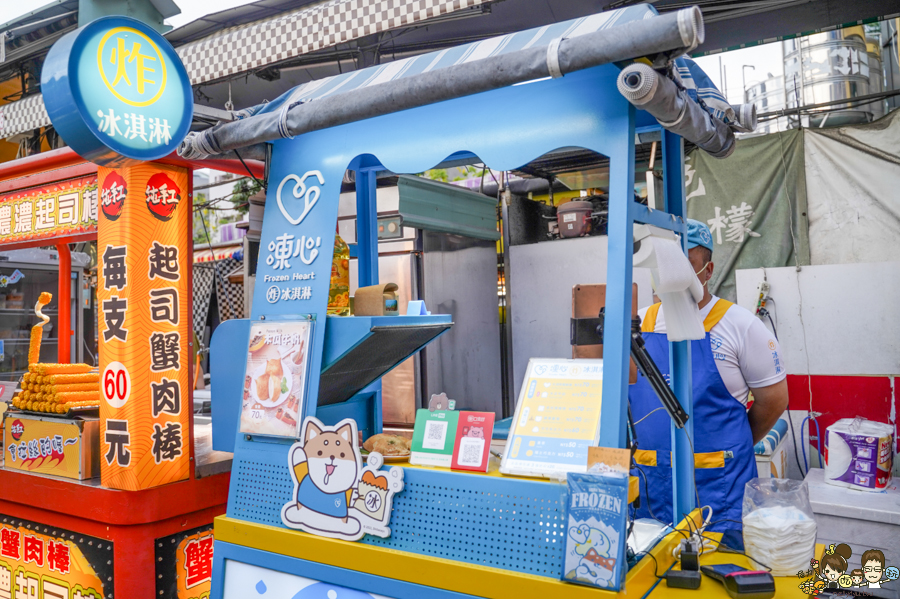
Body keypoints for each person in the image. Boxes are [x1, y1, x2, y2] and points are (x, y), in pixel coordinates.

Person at [629, 219, 789, 540]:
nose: (671, 276)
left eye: (685, 265)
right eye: (663, 265)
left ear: (708, 269)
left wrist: (731, 444)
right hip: (649, 491)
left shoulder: (739, 326)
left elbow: (773, 402)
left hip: (718, 493)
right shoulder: (637, 327)